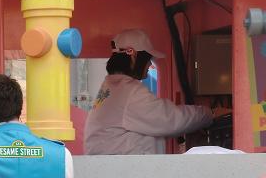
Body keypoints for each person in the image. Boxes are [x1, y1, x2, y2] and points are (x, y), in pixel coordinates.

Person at [84, 28, 213, 155]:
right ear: (134, 55)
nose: (149, 64)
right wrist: (208, 114)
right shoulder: (130, 92)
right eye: (147, 58)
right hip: (127, 167)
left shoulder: (111, 87)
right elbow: (169, 119)